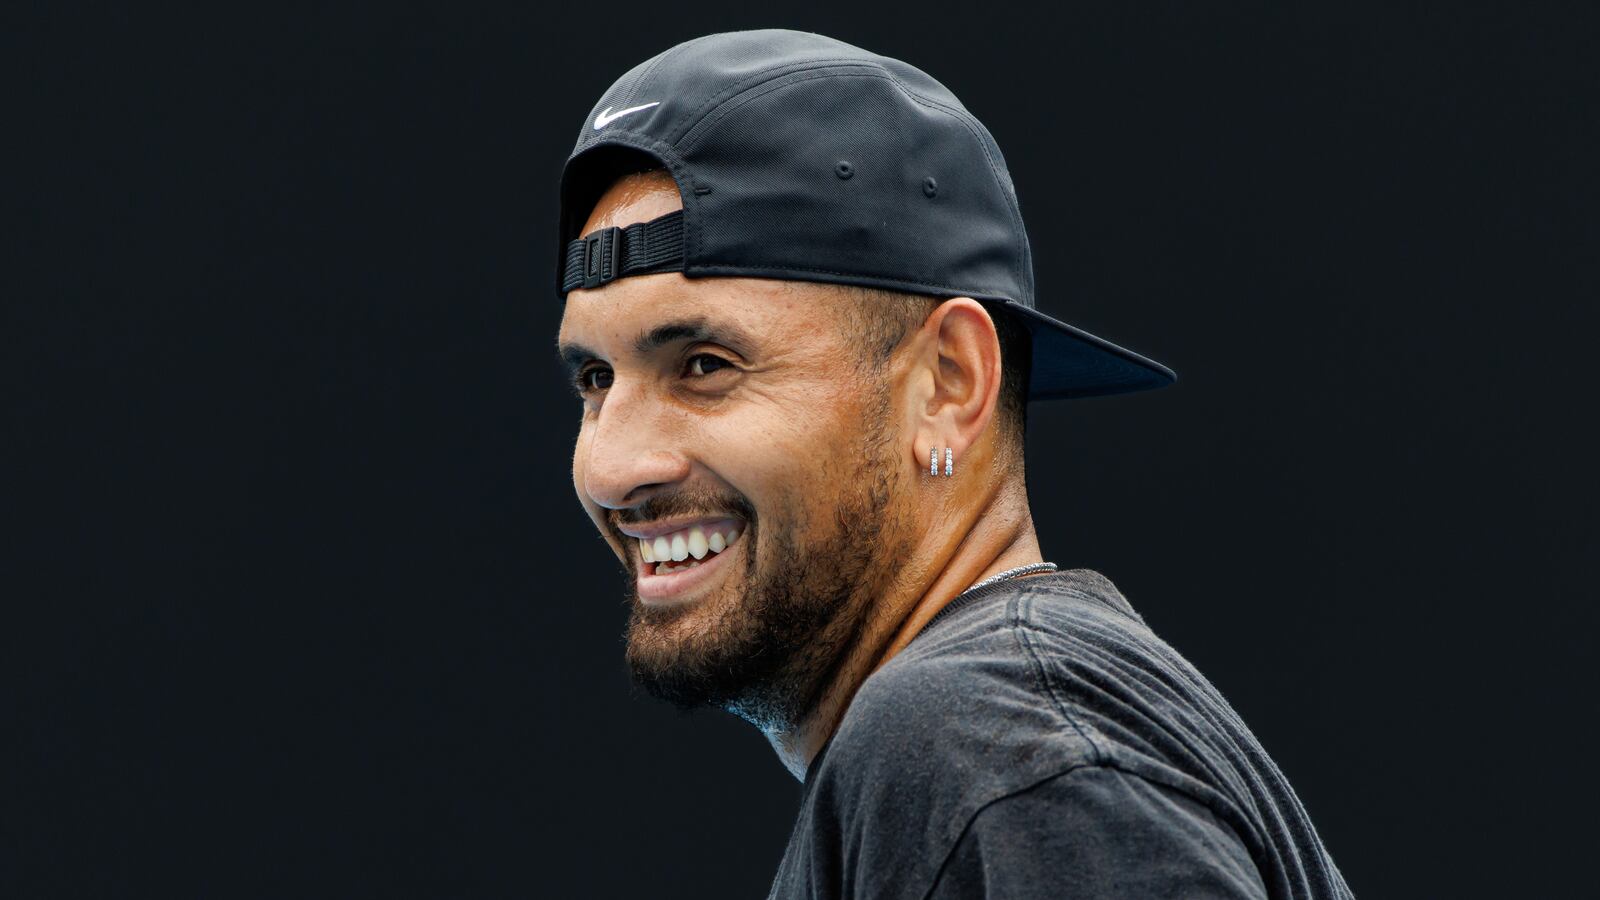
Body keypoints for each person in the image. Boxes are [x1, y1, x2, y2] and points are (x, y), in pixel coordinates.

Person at [553, 29, 1353, 899]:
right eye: (596, 379)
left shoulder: (990, 749)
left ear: (948, 385)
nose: (610, 465)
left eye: (705, 366)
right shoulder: (993, 741)